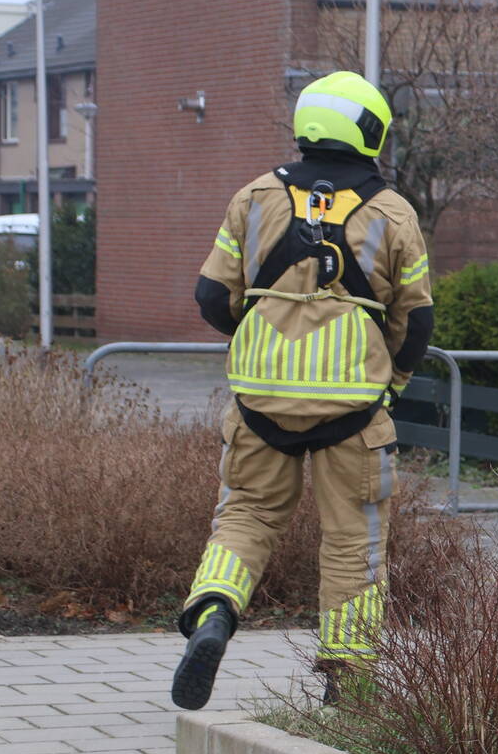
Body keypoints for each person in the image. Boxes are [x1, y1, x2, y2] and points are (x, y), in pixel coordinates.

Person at [173, 70, 434, 709]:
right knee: (353, 539)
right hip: (354, 410)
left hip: (259, 403)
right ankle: (349, 680)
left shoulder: (254, 196)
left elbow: (211, 296)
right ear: (371, 131)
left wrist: (261, 337)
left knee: (246, 515)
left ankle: (214, 613)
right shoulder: (393, 211)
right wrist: (392, 384)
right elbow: (416, 320)